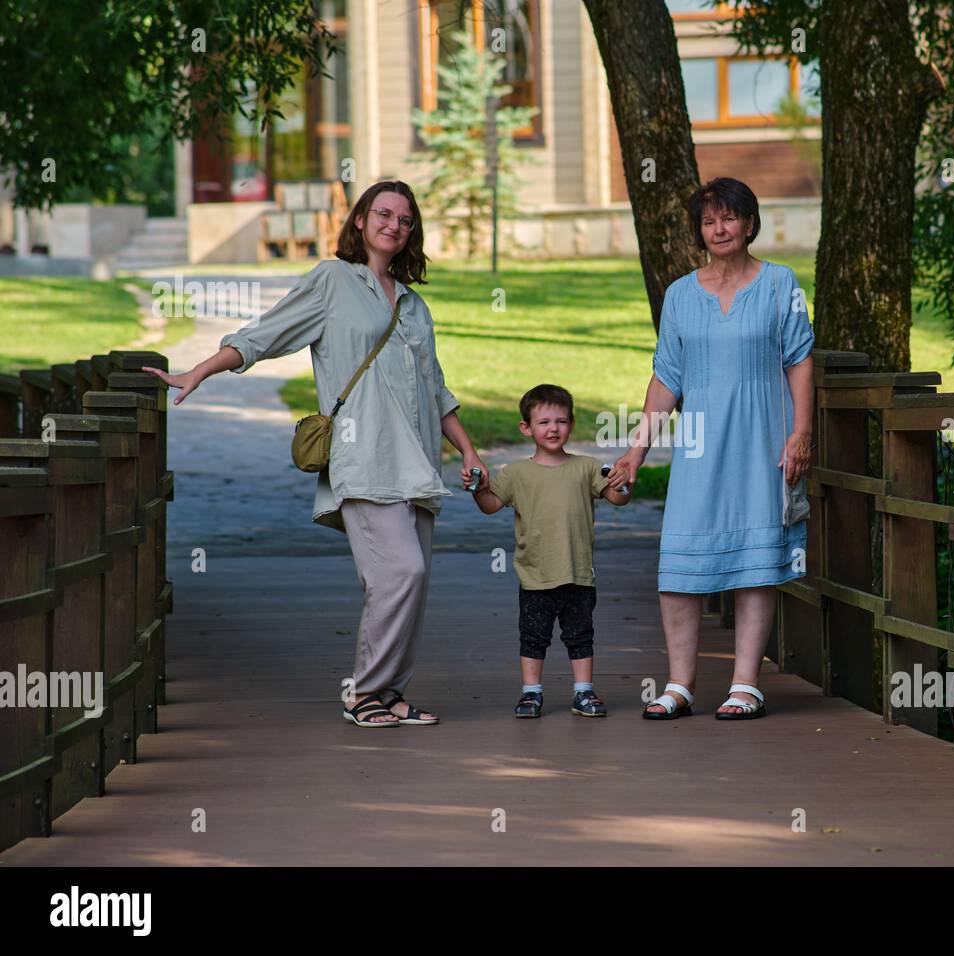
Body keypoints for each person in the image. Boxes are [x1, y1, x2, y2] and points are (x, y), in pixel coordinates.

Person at [143, 180, 488, 728]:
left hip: (419, 462)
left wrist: (468, 450)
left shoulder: (416, 307)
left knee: (412, 580)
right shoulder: (333, 281)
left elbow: (437, 391)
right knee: (398, 572)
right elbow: (265, 334)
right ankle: (364, 693)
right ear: (359, 220)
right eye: (383, 214)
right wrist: (200, 371)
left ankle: (392, 694)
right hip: (365, 457)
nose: (394, 225)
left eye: (405, 219)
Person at [607, 176, 814, 720]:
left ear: (749, 223)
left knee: (755, 562)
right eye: (708, 221)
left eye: (729, 218)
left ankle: (745, 684)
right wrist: (635, 453)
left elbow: (798, 361)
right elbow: (666, 379)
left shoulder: (780, 283)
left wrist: (800, 433)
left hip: (761, 435)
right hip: (699, 444)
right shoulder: (679, 294)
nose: (719, 229)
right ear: (699, 231)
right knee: (680, 561)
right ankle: (679, 684)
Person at [469, 384, 632, 718]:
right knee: (533, 637)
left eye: (561, 421)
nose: (553, 428)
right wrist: (477, 487)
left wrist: (624, 481)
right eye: (543, 422)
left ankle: (583, 692)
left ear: (571, 425)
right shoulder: (515, 473)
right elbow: (489, 505)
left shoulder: (587, 467)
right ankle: (531, 693)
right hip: (535, 575)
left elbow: (618, 498)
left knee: (580, 635)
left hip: (578, 572)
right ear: (526, 428)